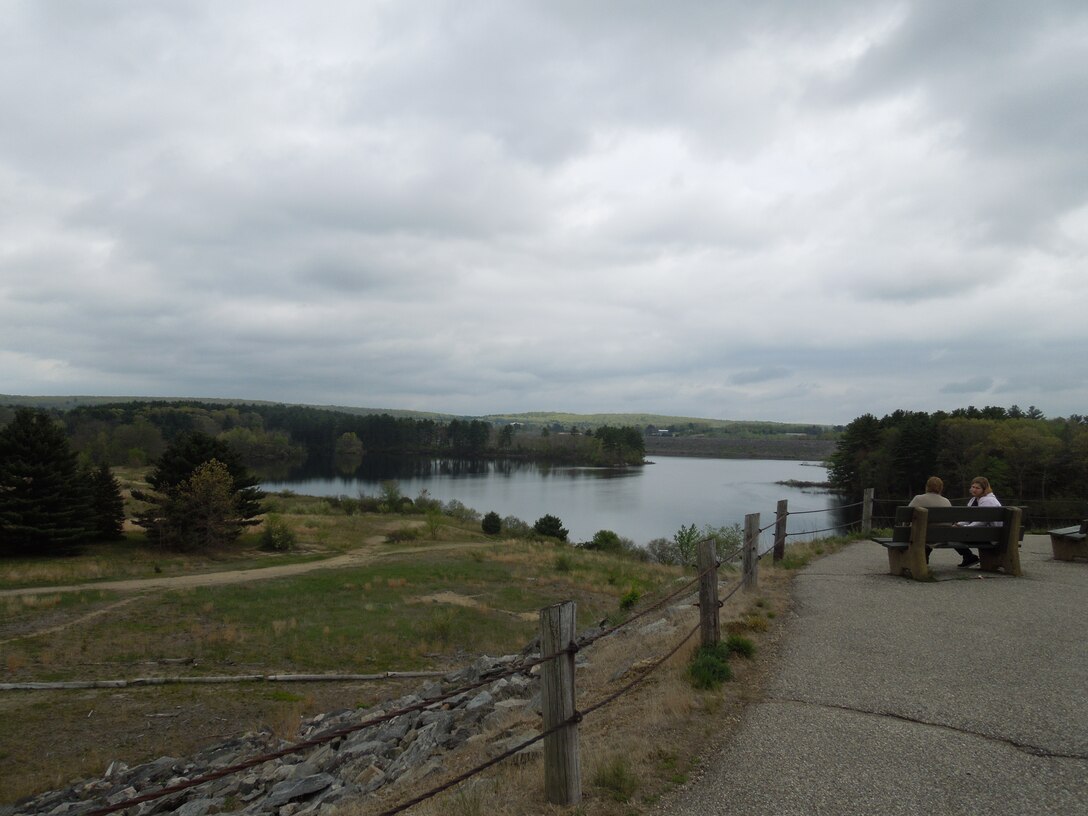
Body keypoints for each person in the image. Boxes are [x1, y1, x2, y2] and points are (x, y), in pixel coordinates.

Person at [954, 476, 1001, 568]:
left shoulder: (988, 501)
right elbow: (968, 519)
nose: (974, 490)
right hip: (982, 532)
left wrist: (965, 528)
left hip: (990, 535)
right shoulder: (974, 500)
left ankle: (969, 557)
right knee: (953, 531)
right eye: (973, 487)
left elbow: (982, 521)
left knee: (953, 534)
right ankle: (968, 557)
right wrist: (959, 524)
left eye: (977, 488)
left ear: (984, 489)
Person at [908, 476, 952, 563]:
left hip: (922, 536)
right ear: (941, 488)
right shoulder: (946, 501)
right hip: (942, 537)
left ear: (927, 486)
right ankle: (925, 554)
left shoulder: (918, 499)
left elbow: (907, 517)